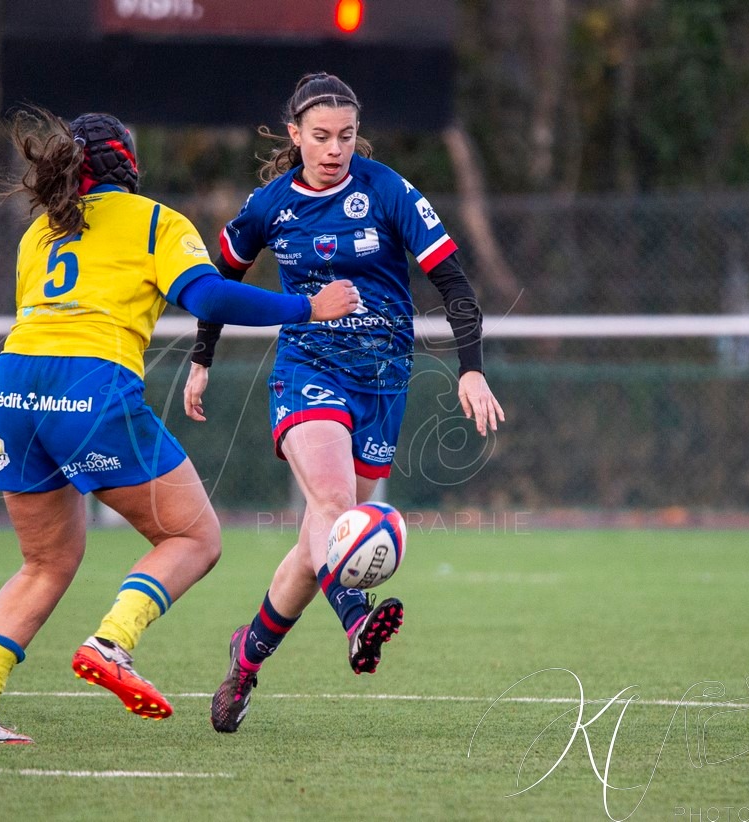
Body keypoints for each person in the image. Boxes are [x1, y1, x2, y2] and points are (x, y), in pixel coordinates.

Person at [0, 107, 359, 744]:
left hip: (13, 389)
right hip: (88, 384)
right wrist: (308, 306)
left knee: (45, 562)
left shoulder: (39, 231)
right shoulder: (154, 219)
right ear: (127, 163)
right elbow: (209, 296)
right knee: (194, 536)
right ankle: (112, 642)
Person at [182, 72, 505, 733]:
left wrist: (471, 371)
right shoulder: (270, 204)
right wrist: (201, 357)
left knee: (315, 548)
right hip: (308, 370)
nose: (335, 149)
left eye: (347, 136)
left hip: (383, 383)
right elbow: (218, 282)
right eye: (322, 136)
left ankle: (246, 658)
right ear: (295, 135)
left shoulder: (387, 190)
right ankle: (357, 622)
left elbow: (454, 283)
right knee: (335, 507)